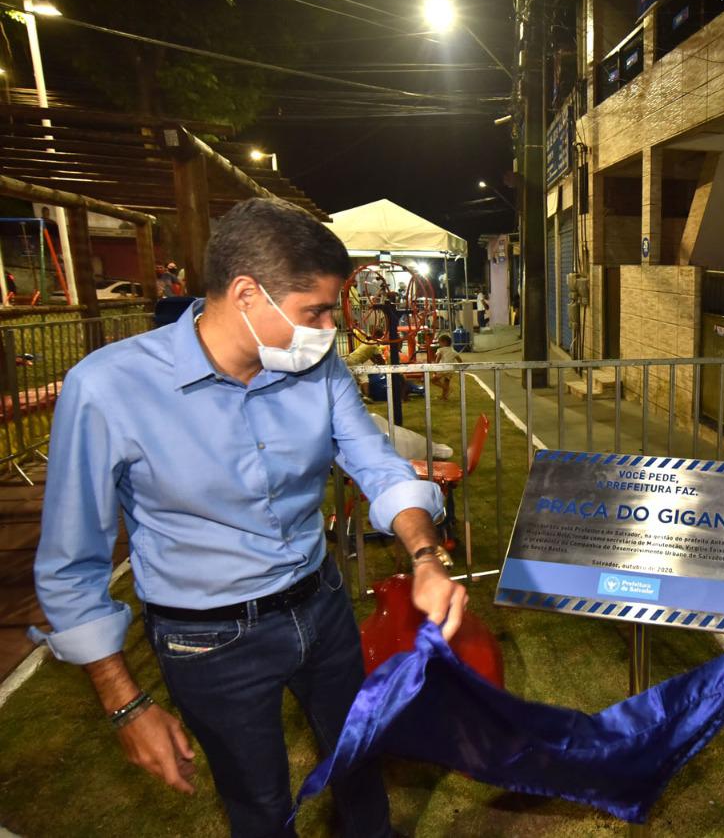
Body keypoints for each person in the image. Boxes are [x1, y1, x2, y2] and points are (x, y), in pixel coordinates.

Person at [30, 198, 467, 838]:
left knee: (360, 762)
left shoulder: (317, 368)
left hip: (321, 608)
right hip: (207, 642)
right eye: (314, 312)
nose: (329, 329)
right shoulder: (108, 390)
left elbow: (377, 466)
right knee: (260, 808)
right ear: (244, 294)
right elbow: (72, 567)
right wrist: (126, 704)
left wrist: (425, 556)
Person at [430, 333, 462, 400]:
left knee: (433, 380)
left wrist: (435, 368)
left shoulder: (441, 350)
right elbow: (460, 360)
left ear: (444, 342)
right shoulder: (453, 351)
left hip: (443, 369)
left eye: (440, 342)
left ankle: (447, 389)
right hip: (450, 370)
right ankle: (444, 397)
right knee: (446, 382)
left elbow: (438, 359)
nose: (439, 344)